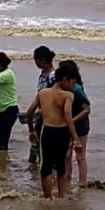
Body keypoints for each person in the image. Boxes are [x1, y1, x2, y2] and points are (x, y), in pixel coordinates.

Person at [24, 62, 83, 199]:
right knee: (60, 165)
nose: (73, 86)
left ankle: (47, 198)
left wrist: (31, 130)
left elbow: (29, 112)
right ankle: (61, 196)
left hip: (47, 131)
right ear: (65, 80)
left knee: (46, 166)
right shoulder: (68, 95)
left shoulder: (42, 93)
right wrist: (75, 138)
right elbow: (68, 117)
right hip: (62, 133)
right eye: (72, 82)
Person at [58, 60, 91, 185]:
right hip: (66, 126)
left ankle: (82, 182)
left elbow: (87, 110)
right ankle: (67, 178)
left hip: (81, 127)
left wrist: (71, 121)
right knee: (66, 155)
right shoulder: (62, 89)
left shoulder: (76, 90)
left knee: (80, 156)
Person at [28, 45, 56, 164]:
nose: (35, 63)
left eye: (36, 60)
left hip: (50, 116)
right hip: (41, 113)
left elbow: (55, 97)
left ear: (42, 60)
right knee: (35, 144)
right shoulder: (42, 75)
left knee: (45, 147)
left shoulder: (53, 77)